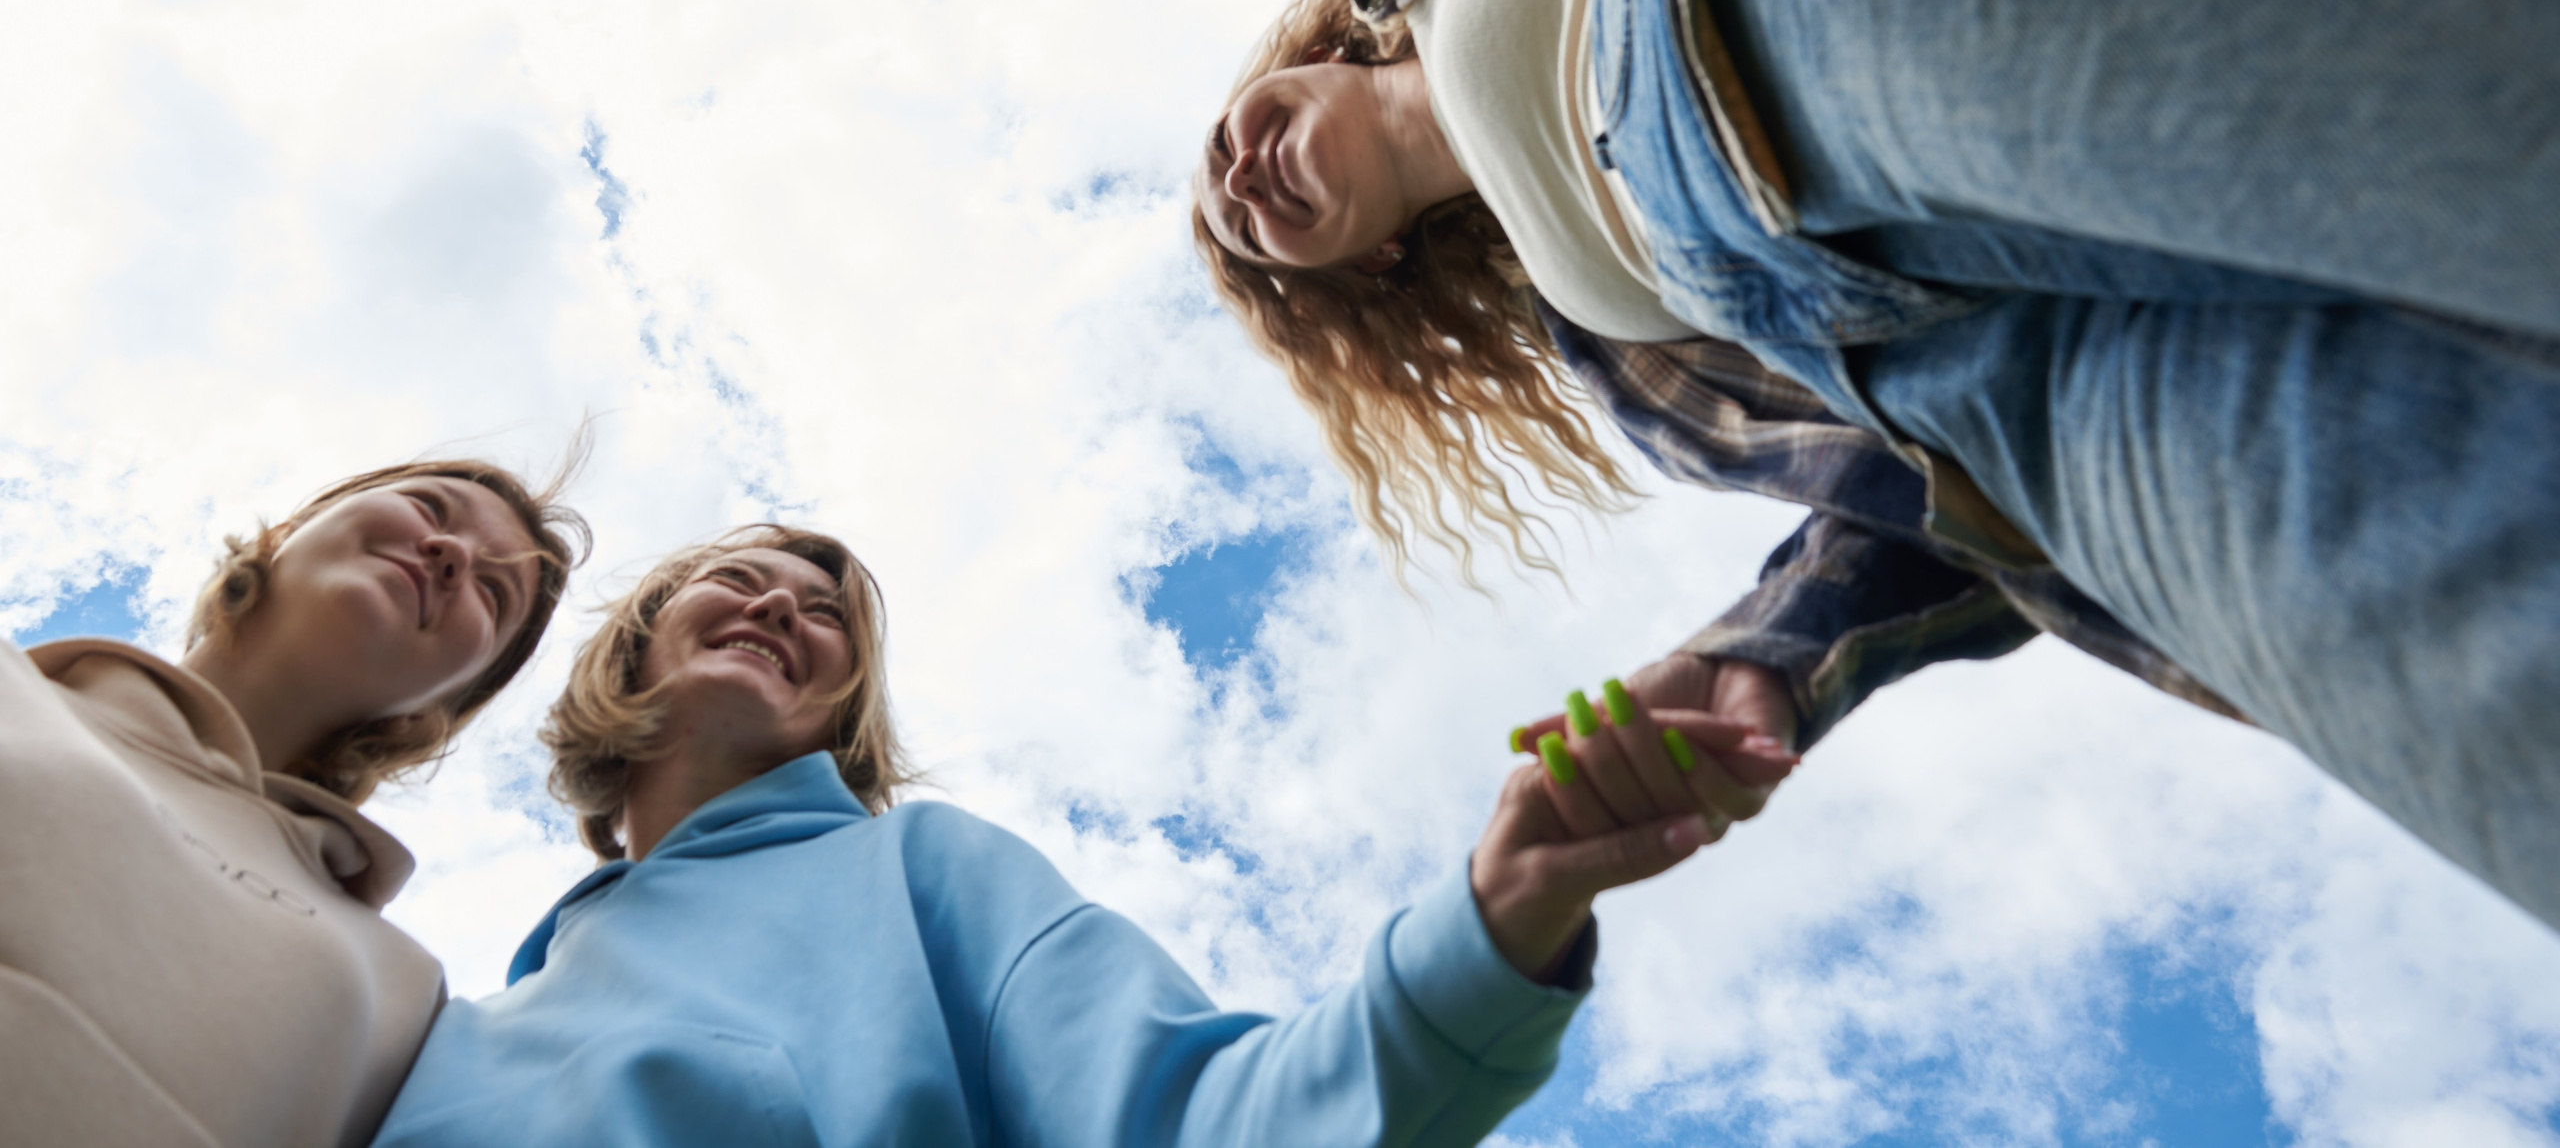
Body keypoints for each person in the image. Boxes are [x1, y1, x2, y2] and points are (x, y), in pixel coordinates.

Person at [1196, 0, 2559, 928]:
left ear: (1298, 60)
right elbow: (1904, 509)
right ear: (1375, 272)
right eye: (1253, 239)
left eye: (1223, 154)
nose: (1241, 181)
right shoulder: (1636, 376)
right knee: (2433, 653)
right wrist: (1767, 656)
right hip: (1986, 389)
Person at [372, 524, 1797, 1148]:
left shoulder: (918, 873)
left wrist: (1489, 926)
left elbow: (1202, 1122)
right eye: (737, 582)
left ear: (838, 720)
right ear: (628, 653)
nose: (780, 609)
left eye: (823, 620)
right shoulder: (443, 1017)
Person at [1, 454, 589, 1148]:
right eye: (430, 508)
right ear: (285, 533)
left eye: (492, 592)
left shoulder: (401, 987)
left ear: (428, 714)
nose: (452, 551)